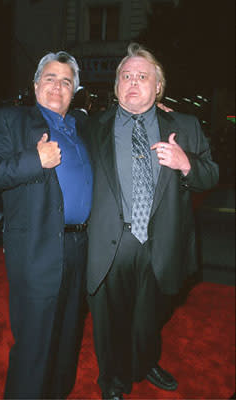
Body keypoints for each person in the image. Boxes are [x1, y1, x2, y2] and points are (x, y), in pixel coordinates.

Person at [85, 43, 219, 400]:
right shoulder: (92, 127)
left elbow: (212, 174)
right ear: (115, 87)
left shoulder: (185, 125)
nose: (133, 82)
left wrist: (186, 163)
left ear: (158, 86)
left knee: (150, 318)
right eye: (125, 76)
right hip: (111, 243)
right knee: (110, 322)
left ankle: (144, 362)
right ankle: (113, 382)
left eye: (142, 76)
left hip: (163, 242)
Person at [0, 51, 93, 399]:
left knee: (67, 340)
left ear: (75, 92)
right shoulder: (12, 120)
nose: (57, 86)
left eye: (66, 81)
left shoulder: (82, 126)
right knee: (35, 346)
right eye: (50, 78)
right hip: (37, 249)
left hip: (79, 249)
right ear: (36, 84)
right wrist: (33, 160)